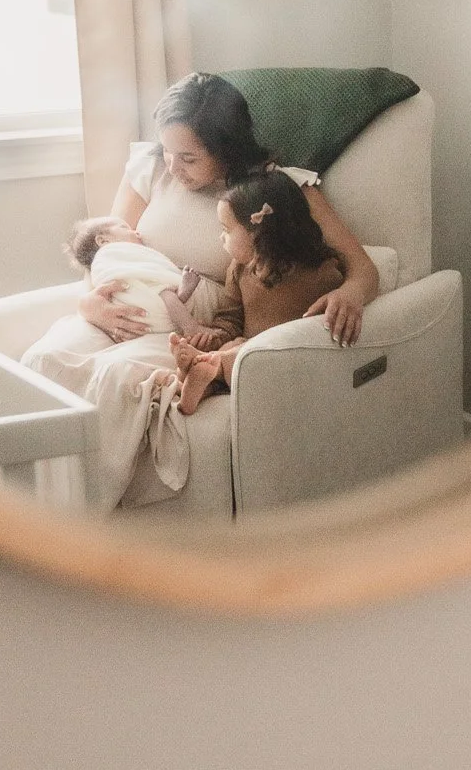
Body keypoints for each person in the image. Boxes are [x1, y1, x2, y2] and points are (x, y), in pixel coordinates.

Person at [21, 72, 379, 510]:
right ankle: (24, 502)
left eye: (188, 158)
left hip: (195, 326)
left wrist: (352, 293)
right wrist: (88, 303)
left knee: (115, 379)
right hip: (124, 307)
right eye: (168, 152)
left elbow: (361, 267)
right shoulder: (152, 168)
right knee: (44, 359)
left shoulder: (273, 191)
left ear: (226, 150)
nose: (173, 166)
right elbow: (104, 251)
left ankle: (81, 514)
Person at [169, 172, 347, 414]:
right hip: (244, 354)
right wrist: (215, 334)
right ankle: (199, 378)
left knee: (243, 354)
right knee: (233, 347)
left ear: (257, 233)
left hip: (285, 358)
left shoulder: (321, 272)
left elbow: (324, 329)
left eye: (226, 230)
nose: (221, 237)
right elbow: (231, 317)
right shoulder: (239, 269)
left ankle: (204, 367)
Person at [63, 215, 234, 348]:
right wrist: (87, 306)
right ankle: (190, 325)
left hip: (149, 324)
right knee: (163, 291)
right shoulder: (109, 255)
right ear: (102, 241)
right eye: (125, 227)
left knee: (160, 293)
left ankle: (179, 299)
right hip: (138, 316)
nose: (136, 232)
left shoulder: (112, 257)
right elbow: (102, 284)